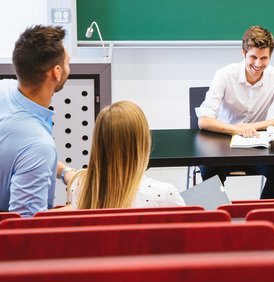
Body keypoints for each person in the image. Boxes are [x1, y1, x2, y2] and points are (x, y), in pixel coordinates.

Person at [196, 25, 274, 199]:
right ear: (243, 53)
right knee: (210, 172)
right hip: (223, 145)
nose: (258, 64)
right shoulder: (224, 74)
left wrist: (252, 127)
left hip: (256, 145)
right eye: (253, 57)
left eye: (264, 58)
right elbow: (204, 121)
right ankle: (218, 220)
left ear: (270, 56)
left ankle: (261, 218)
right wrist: (238, 129)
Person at [0, 25, 70, 216]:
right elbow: (25, 229)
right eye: (67, 62)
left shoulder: (3, 89)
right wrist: (75, 210)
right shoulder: (38, 145)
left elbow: (14, 157)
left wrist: (64, 172)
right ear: (56, 72)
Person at [66, 100, 185, 208]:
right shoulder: (164, 195)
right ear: (143, 143)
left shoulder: (77, 187)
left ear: (98, 144)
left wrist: (62, 170)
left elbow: (78, 176)